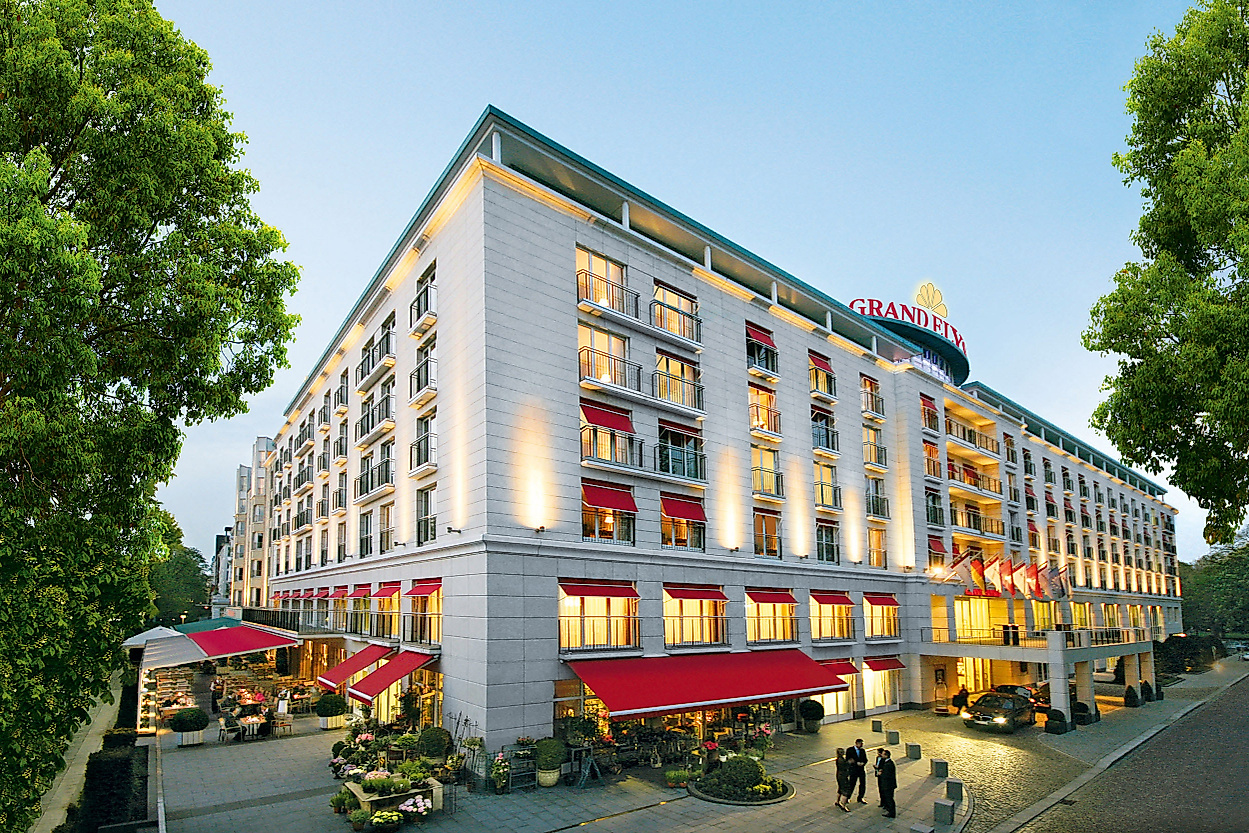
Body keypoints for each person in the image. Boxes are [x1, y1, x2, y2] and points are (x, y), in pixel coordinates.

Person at [847, 738, 869, 804]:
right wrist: (855, 763)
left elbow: (865, 759)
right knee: (851, 784)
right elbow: (848, 759)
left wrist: (863, 763)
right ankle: (848, 797)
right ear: (857, 743)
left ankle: (860, 797)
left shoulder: (862, 750)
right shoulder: (850, 750)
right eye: (860, 744)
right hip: (853, 770)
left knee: (863, 784)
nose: (861, 745)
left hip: (861, 770)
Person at [879, 749, 897, 818]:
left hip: (888, 785)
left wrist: (881, 773)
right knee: (889, 798)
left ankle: (891, 812)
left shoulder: (888, 764)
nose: (881, 755)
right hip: (889, 784)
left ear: (886, 756)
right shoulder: (888, 762)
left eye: (883, 754)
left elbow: (887, 775)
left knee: (889, 798)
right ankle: (889, 809)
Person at [834, 748, 853, 812]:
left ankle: (837, 801)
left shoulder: (838, 759)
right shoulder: (841, 760)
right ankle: (843, 805)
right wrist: (849, 762)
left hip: (839, 775)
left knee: (840, 788)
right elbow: (845, 766)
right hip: (843, 776)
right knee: (846, 790)